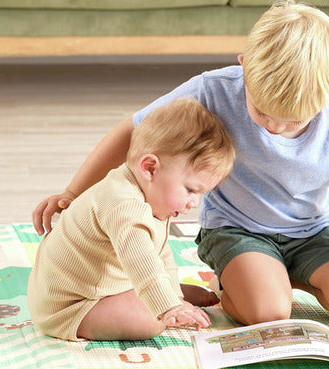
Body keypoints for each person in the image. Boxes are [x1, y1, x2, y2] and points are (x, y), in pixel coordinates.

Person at [32, 0, 329, 339]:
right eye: (262, 112)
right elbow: (133, 130)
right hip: (239, 229)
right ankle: (250, 278)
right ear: (243, 67)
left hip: (316, 231)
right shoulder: (213, 89)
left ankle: (283, 275)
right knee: (269, 313)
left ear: (328, 95)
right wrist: (72, 194)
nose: (275, 128)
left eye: (294, 121)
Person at [28, 96, 235, 342]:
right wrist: (168, 308)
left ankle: (163, 292)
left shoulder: (152, 194)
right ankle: (157, 295)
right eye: (191, 190)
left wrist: (175, 296)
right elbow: (141, 261)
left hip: (104, 286)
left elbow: (160, 253)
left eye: (201, 193)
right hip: (71, 305)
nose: (194, 203)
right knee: (151, 321)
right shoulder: (123, 204)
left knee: (159, 287)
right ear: (150, 168)